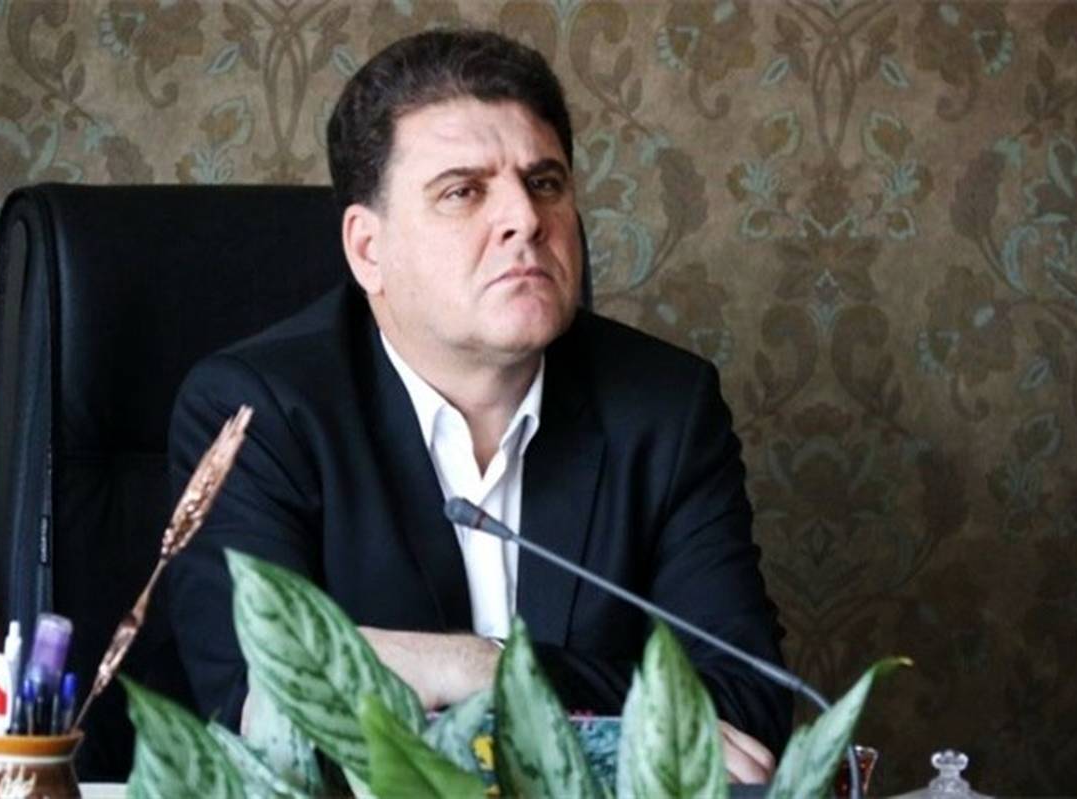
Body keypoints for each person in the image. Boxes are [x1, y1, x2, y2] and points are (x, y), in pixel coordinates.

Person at [167, 29, 791, 783]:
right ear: (368, 249)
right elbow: (257, 704)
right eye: (463, 191)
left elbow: (747, 706)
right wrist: (616, 714)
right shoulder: (257, 411)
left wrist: (479, 668)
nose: (526, 217)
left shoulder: (665, 408)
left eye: (545, 182)